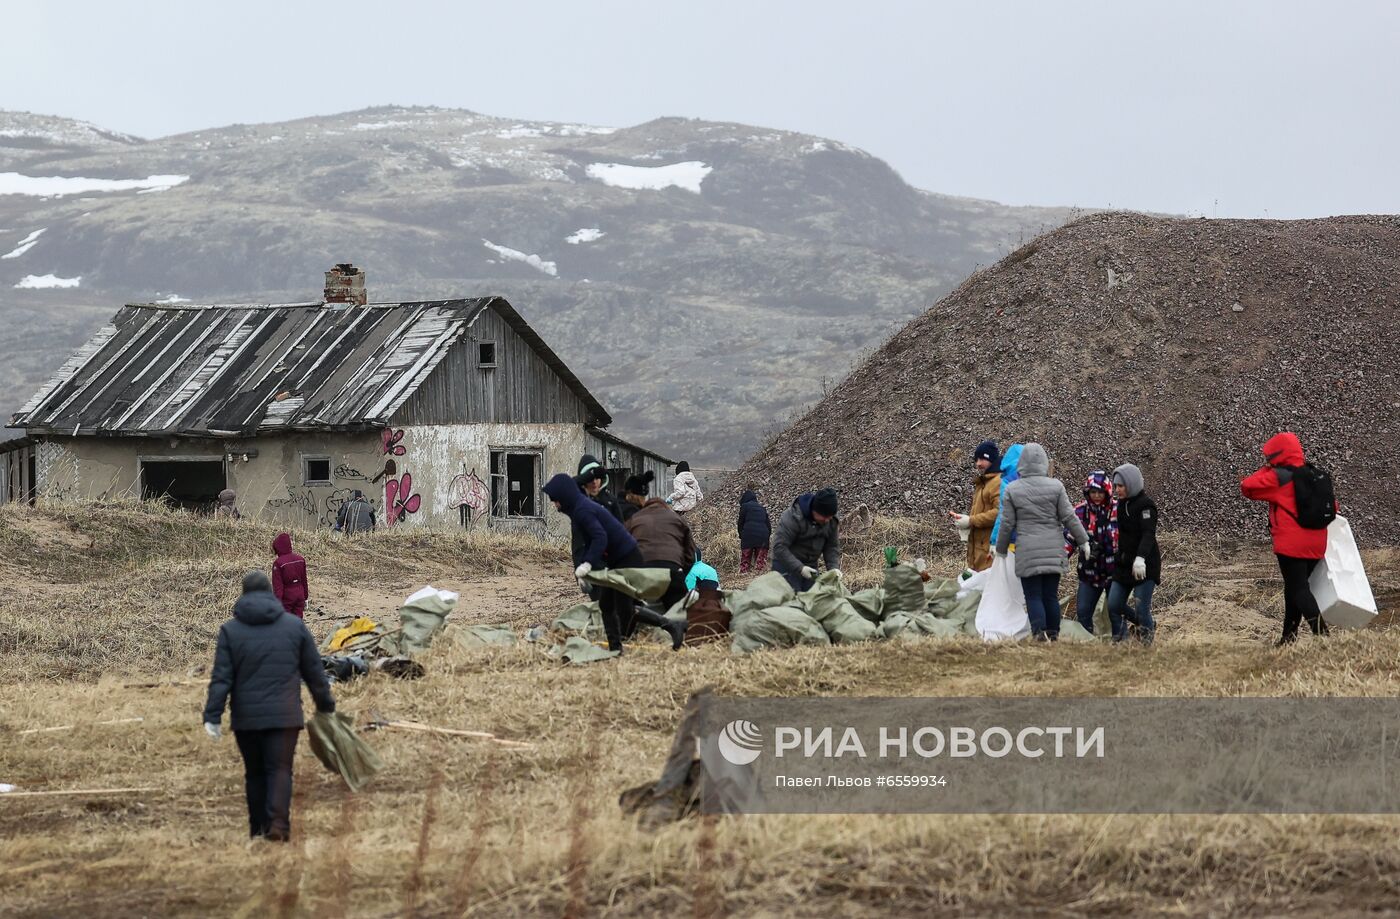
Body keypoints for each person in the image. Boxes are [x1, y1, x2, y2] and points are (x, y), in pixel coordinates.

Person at [203, 571, 335, 842]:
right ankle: (278, 824)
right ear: (271, 594)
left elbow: (222, 677)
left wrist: (212, 715)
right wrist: (325, 705)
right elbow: (314, 672)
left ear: (244, 595)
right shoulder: (294, 627)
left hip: (246, 718)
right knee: (280, 769)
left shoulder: (231, 630)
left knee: (255, 773)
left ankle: (257, 829)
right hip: (286, 714)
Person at [544, 473, 684, 652]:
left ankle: (671, 625)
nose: (555, 505)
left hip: (627, 557)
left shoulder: (582, 510)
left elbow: (599, 538)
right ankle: (615, 648)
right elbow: (573, 484)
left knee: (625, 607)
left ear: (564, 497)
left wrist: (586, 564)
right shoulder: (579, 504)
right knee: (606, 605)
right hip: (618, 558)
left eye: (556, 500)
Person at [1241, 432, 1334, 645]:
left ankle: (1323, 637)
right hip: (1317, 542)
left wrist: (1269, 468)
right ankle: (1288, 637)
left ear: (1276, 454)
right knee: (1294, 588)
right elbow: (1333, 508)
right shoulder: (1316, 475)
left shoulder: (1279, 477)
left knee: (1299, 589)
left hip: (1291, 544)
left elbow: (1247, 486)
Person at [994, 443, 1090, 641]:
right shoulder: (1056, 486)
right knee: (1050, 595)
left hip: (1027, 551)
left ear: (1021, 464)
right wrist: (1084, 541)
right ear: (1044, 463)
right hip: (1054, 550)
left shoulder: (1013, 489)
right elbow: (1070, 517)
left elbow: (1006, 523)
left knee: (1033, 596)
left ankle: (1039, 635)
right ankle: (1053, 635)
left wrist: (1000, 549)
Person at [624, 471, 697, 611]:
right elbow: (690, 554)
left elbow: (623, 550)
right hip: (672, 572)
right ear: (665, 505)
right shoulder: (677, 519)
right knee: (678, 615)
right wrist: (680, 572)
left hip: (643, 573)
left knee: (638, 614)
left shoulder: (634, 519)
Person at [1109, 463, 1161, 644]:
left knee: (1141, 607)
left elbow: (1148, 534)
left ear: (1131, 484)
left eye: (1120, 486)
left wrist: (1140, 558)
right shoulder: (1121, 505)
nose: (1117, 490)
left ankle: (1146, 646)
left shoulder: (1146, 505)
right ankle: (1132, 634)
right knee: (1114, 604)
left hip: (1144, 566)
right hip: (1124, 564)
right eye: (1115, 486)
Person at [1065, 471, 1118, 634]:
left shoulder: (1118, 509)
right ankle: (1086, 644)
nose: (1096, 496)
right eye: (1093, 492)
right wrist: (1059, 559)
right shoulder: (1080, 512)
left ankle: (1121, 645)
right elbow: (1068, 539)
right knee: (1083, 612)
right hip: (1089, 573)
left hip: (1115, 573)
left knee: (1116, 612)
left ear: (1107, 491)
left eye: (1100, 492)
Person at [772, 488, 841, 592]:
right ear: (815, 510)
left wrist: (833, 568)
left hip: (810, 568)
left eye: (830, 517)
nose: (827, 520)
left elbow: (831, 547)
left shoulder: (831, 521)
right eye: (824, 517)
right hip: (786, 566)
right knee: (792, 601)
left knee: (812, 599)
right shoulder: (793, 517)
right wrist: (800, 568)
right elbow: (779, 547)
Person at [952, 441, 1001, 573]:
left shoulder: (998, 481)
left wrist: (971, 520)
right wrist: (967, 523)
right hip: (980, 550)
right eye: (976, 460)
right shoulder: (984, 482)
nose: (978, 463)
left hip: (990, 551)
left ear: (991, 458)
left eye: (982, 459)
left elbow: (1000, 512)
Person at [986, 444, 1025, 565]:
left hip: (1013, 541)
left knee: (1011, 578)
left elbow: (1003, 513)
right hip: (1037, 542)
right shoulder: (1041, 479)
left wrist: (994, 541)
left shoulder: (1007, 481)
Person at [271, 532, 309, 619]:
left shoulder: (278, 563)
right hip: (300, 594)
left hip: (287, 596)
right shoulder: (300, 559)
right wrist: (305, 597)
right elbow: (304, 580)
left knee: (285, 621)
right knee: (298, 620)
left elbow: (278, 587)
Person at [577, 455, 625, 522]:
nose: (594, 482)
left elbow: (621, 527)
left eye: (597, 478)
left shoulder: (610, 500)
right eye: (590, 479)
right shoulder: (577, 500)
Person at [737, 489, 772, 574]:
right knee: (760, 563)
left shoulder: (744, 507)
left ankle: (744, 575)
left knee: (745, 560)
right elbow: (768, 525)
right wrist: (767, 536)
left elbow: (740, 523)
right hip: (763, 536)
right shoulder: (762, 508)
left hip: (748, 535)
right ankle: (759, 577)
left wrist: (741, 535)